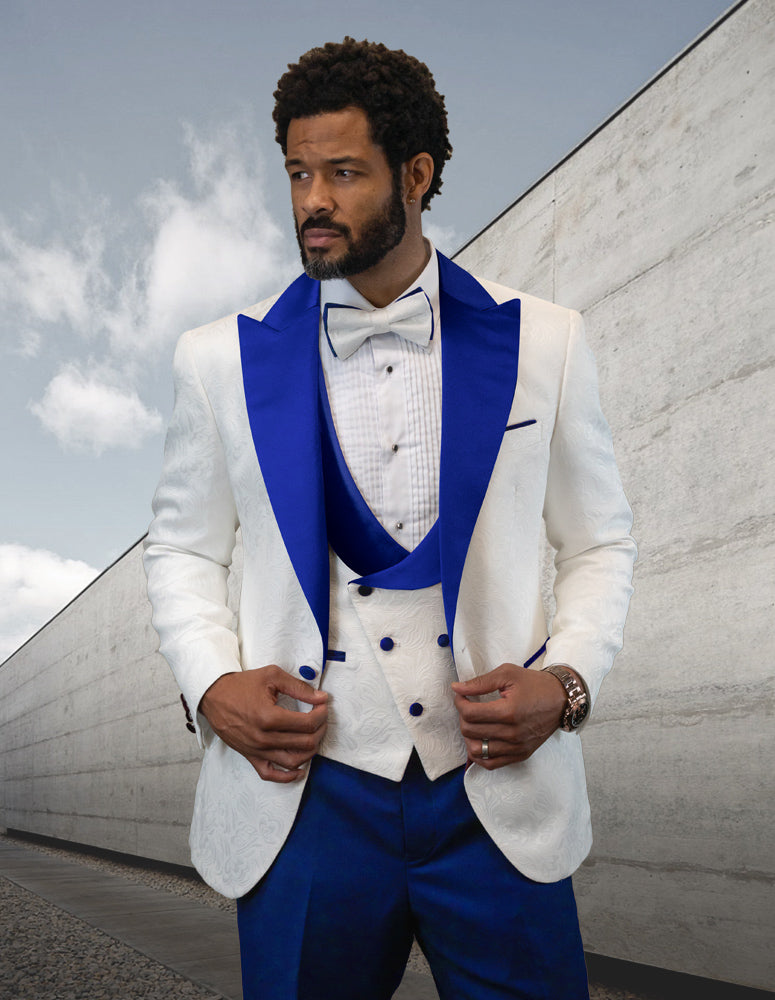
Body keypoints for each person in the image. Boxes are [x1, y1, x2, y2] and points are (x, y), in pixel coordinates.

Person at [143, 37, 636, 1000]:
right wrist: (208, 685)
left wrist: (569, 682)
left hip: (497, 793)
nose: (311, 200)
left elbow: (598, 541)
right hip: (303, 796)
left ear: (417, 175)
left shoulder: (546, 341)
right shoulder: (216, 362)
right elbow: (182, 547)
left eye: (342, 172)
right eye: (296, 172)